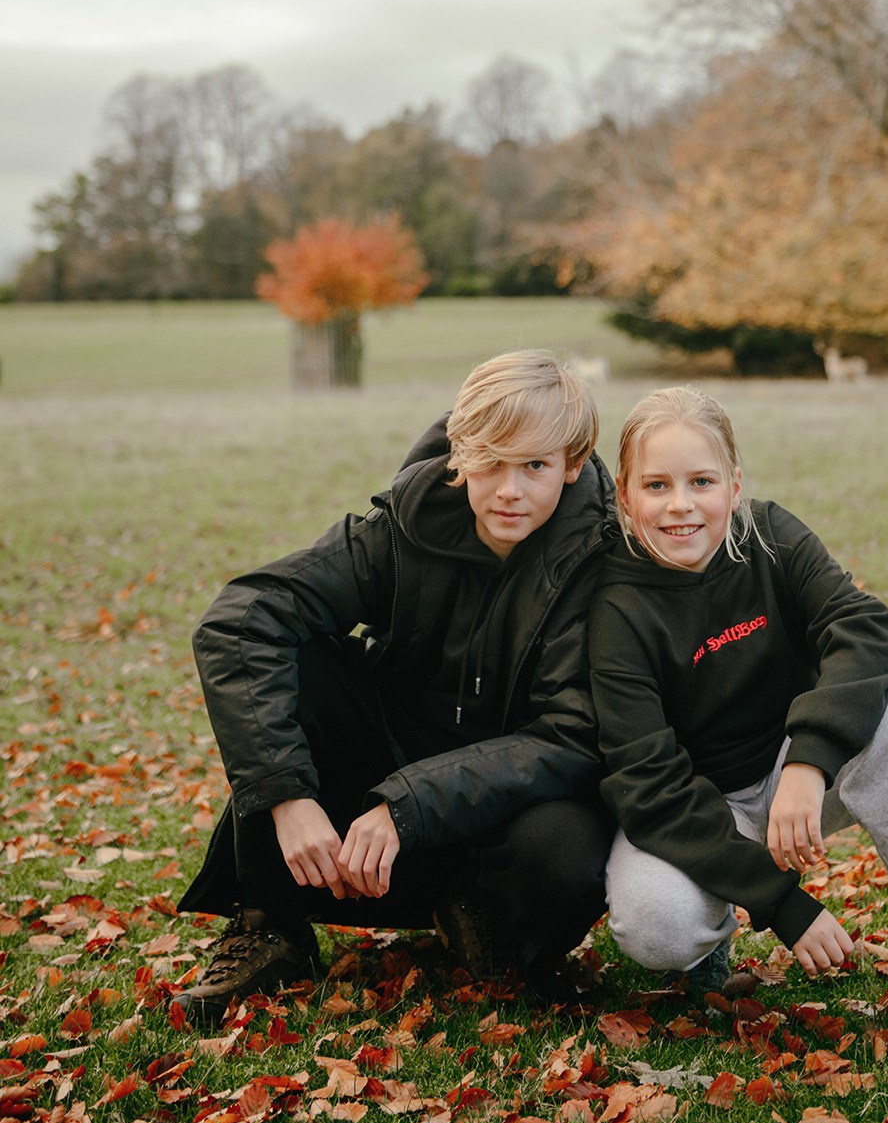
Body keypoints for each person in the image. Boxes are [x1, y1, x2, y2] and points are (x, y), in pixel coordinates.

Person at [177, 350, 616, 1022]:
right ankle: (270, 926)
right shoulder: (403, 526)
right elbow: (241, 620)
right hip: (387, 767)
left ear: (573, 465)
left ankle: (485, 927)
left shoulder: (603, 561)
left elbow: (571, 735)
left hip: (510, 803)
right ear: (459, 455)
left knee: (570, 844)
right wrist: (289, 799)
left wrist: (409, 805)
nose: (510, 490)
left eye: (534, 466)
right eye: (492, 461)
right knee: (306, 667)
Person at [588, 386, 888, 1059]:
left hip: (793, 774)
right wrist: (782, 904)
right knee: (652, 928)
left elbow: (864, 630)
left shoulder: (771, 536)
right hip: (702, 804)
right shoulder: (614, 610)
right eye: (656, 485)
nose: (680, 504)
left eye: (701, 481)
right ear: (626, 498)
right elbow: (648, 785)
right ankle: (702, 948)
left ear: (734, 484)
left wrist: (807, 764)